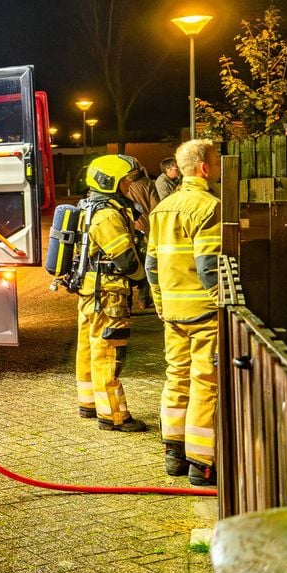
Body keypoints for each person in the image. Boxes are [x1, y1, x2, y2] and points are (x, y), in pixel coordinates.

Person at [145, 139, 222, 486]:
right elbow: (208, 266)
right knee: (205, 384)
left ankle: (173, 455)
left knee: (176, 379)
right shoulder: (210, 207)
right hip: (205, 313)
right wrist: (224, 301)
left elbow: (151, 265)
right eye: (216, 161)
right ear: (205, 168)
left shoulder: (161, 209)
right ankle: (201, 463)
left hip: (173, 313)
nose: (219, 166)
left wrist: (160, 304)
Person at [75, 154, 148, 432]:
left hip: (91, 290)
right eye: (126, 181)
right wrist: (143, 281)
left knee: (88, 347)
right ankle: (114, 416)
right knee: (108, 351)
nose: (130, 186)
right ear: (110, 183)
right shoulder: (107, 214)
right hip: (108, 293)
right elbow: (126, 259)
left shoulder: (89, 207)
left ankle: (89, 403)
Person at [124, 166, 159, 310]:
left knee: (128, 264)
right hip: (145, 229)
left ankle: (127, 303)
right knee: (145, 264)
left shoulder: (123, 185)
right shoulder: (148, 184)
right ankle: (143, 299)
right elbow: (156, 206)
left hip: (128, 229)